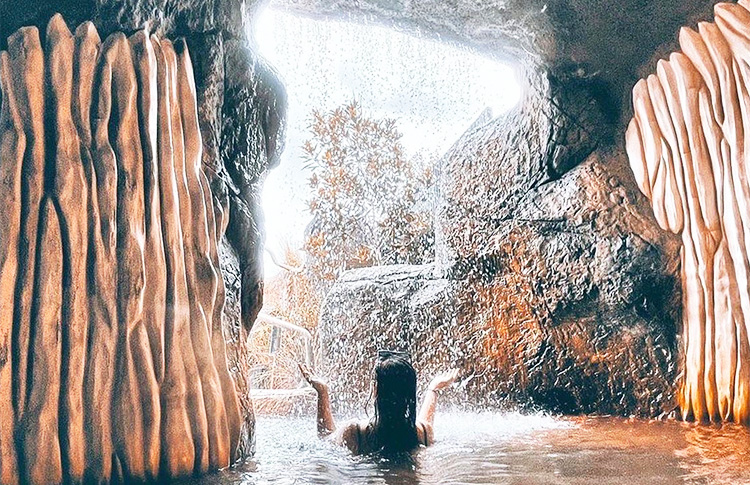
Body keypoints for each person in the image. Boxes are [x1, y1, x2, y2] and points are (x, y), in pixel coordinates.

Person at [299, 350, 458, 455]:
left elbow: (325, 437)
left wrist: (322, 392)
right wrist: (433, 389)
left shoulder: (356, 433)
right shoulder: (422, 434)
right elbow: (425, 422)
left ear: (376, 390)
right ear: (410, 393)